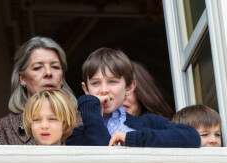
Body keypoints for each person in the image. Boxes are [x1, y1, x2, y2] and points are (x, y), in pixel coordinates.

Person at [66, 47, 200, 147]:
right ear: (86, 89)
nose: (104, 90)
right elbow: (102, 158)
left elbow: (192, 137)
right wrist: (89, 106)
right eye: (96, 83)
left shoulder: (149, 122)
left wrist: (133, 138)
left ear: (129, 88)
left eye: (112, 81)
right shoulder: (75, 133)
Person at [0, 36, 78, 145]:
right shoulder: (2, 130)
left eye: (55, 67)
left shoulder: (83, 124)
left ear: (62, 77)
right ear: (22, 78)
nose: (48, 73)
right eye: (38, 68)